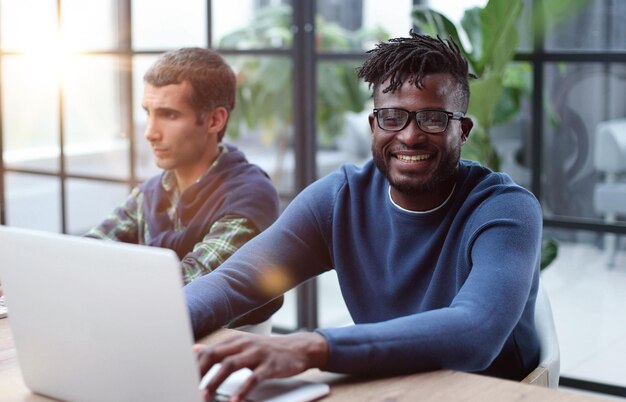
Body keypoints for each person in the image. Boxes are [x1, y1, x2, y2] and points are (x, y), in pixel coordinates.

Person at [186, 32, 542, 401]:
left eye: (432, 119)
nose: (410, 136)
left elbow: (476, 331)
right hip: (391, 384)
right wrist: (161, 319)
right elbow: (232, 283)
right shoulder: (341, 199)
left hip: (492, 393)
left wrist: (308, 347)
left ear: (462, 130)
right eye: (392, 117)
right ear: (374, 126)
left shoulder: (504, 208)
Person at [86, 47, 282, 328]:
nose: (150, 132)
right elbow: (87, 252)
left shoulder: (250, 196)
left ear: (215, 120)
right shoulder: (152, 192)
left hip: (221, 354)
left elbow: (188, 287)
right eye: (148, 113)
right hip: (145, 333)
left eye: (168, 115)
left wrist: (108, 273)